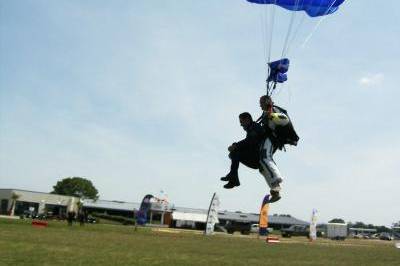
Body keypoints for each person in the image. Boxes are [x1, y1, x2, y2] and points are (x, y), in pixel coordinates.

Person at [257, 95, 299, 203]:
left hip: (273, 138)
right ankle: (275, 190)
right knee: (261, 165)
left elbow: (285, 120)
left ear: (267, 102)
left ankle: (276, 182)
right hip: (269, 137)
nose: (260, 105)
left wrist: (272, 116)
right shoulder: (266, 113)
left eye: (261, 103)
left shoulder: (275, 110)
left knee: (265, 157)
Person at [221, 112, 265, 189]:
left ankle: (233, 177)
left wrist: (235, 146)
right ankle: (233, 177)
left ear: (247, 120)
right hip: (255, 157)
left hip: (257, 159)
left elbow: (250, 141)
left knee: (234, 152)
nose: (241, 124)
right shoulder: (251, 128)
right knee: (234, 153)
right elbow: (248, 142)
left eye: (241, 122)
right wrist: (235, 145)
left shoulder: (255, 127)